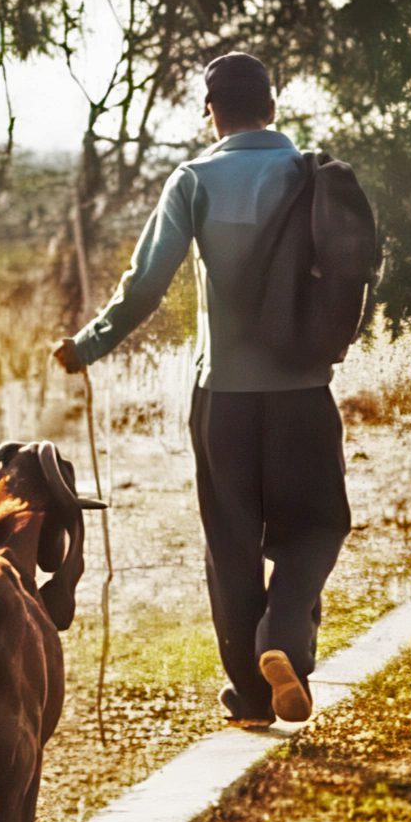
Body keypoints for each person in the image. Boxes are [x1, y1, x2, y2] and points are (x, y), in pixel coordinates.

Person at [51, 53, 350, 728]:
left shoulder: (195, 179)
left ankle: (251, 695)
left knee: (233, 541)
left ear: (212, 111)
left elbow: (146, 284)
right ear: (272, 106)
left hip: (225, 401)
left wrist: (89, 343)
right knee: (320, 523)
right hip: (304, 392)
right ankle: (283, 639)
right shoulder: (313, 175)